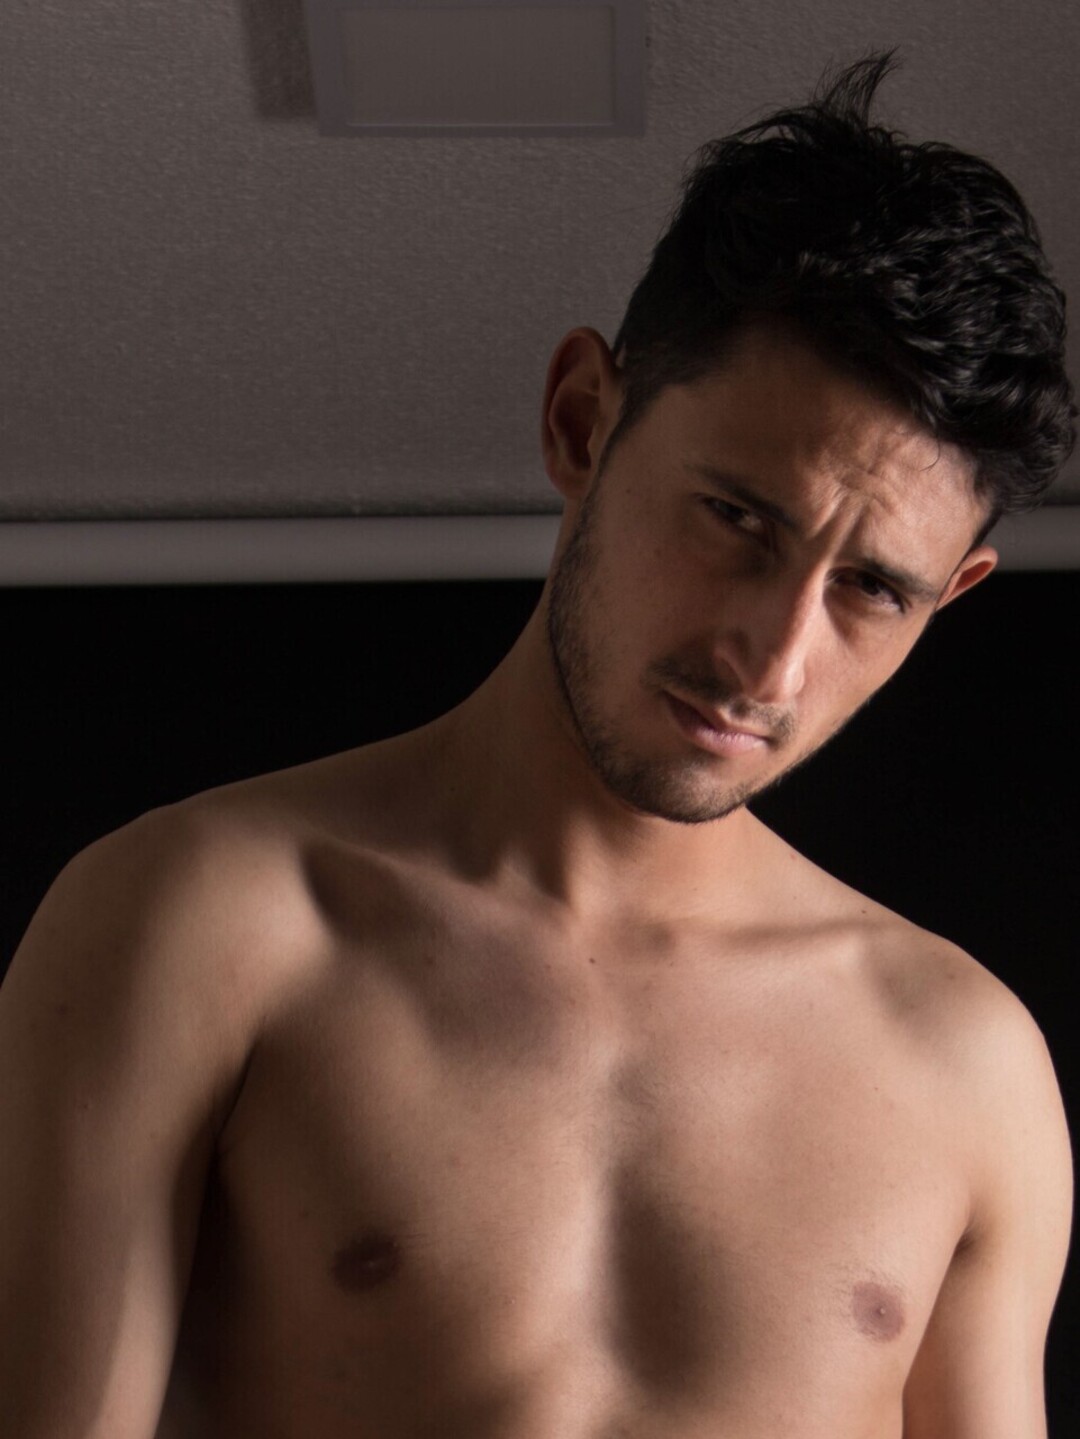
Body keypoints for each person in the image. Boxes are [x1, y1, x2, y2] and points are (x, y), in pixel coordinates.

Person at [0, 51, 1074, 1439]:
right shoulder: (200, 926)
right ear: (582, 421)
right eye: (736, 519)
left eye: (873, 588)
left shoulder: (965, 1066)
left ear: (952, 596)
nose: (771, 659)